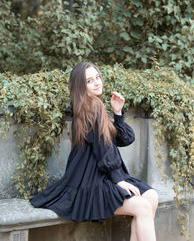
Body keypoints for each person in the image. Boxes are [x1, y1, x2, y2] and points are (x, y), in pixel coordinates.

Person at [30, 62, 158, 241]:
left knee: (151, 197)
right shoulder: (90, 108)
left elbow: (124, 139)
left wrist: (118, 113)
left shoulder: (95, 106)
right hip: (91, 180)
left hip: (103, 175)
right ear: (81, 87)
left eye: (97, 77)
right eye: (89, 81)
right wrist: (118, 180)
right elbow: (103, 148)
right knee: (143, 207)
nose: (97, 82)